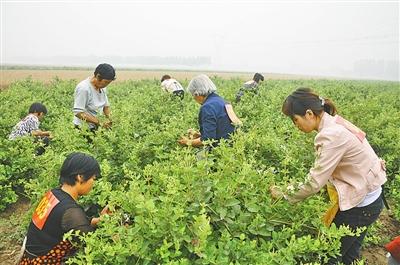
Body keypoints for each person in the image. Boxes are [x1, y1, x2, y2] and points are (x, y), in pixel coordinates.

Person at [270, 88, 387, 265]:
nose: (296, 125)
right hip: (372, 198)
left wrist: (284, 194)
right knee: (349, 256)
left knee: (328, 255)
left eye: (295, 120)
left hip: (361, 205)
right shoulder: (336, 123)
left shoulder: (330, 135)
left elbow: (314, 182)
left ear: (309, 114)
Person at [19, 152, 108, 264]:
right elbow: (90, 241)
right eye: (93, 179)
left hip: (29, 259)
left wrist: (101, 220)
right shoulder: (71, 212)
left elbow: (70, 224)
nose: (93, 183)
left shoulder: (53, 194)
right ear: (80, 177)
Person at [178, 74, 241, 149]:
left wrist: (187, 142)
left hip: (220, 150)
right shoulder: (222, 101)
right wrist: (199, 135)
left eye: (193, 95)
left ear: (197, 93)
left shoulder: (207, 107)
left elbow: (208, 139)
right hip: (233, 146)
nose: (194, 98)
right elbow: (222, 129)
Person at [73, 63, 115, 131]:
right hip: (83, 129)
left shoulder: (102, 87)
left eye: (108, 83)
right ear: (98, 77)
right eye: (106, 82)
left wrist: (111, 120)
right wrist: (99, 122)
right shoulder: (84, 88)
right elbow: (78, 113)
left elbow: (106, 107)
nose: (106, 85)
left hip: (96, 127)